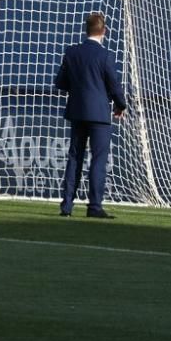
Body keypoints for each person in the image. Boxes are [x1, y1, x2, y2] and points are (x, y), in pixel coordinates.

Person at [55, 12, 128, 219]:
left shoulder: (72, 53)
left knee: (74, 157)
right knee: (98, 159)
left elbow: (60, 83)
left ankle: (67, 207)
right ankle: (94, 207)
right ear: (103, 31)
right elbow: (114, 85)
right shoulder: (105, 56)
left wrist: (78, 89)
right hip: (99, 115)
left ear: (86, 30)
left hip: (77, 112)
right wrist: (120, 106)